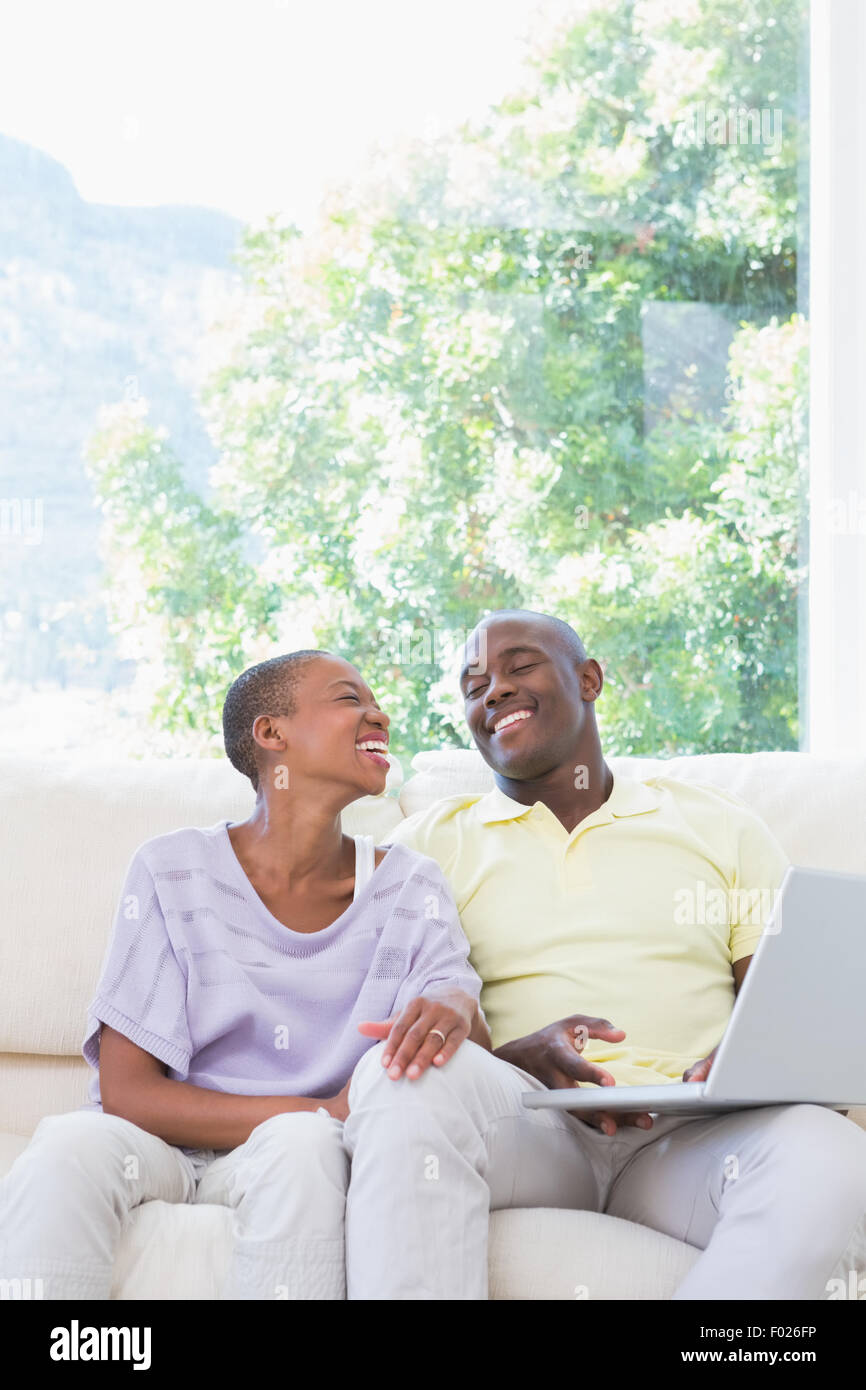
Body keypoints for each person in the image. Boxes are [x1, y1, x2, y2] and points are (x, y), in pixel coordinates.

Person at [380, 608, 866, 1300]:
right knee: (405, 1081)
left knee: (835, 1158)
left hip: (689, 1140)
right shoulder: (427, 844)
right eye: (473, 684)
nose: (493, 692)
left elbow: (800, 1020)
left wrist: (743, 1074)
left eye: (520, 667)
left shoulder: (718, 826)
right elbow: (394, 1017)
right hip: (525, 1126)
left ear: (589, 679)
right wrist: (507, 1059)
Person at [0, 649, 489, 1301]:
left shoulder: (408, 886)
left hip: (296, 1151)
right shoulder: (172, 869)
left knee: (300, 1150)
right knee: (64, 1146)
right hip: (159, 1145)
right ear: (271, 733)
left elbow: (464, 1057)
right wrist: (324, 1109)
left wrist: (457, 1000)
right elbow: (126, 1093)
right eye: (349, 699)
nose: (380, 713)